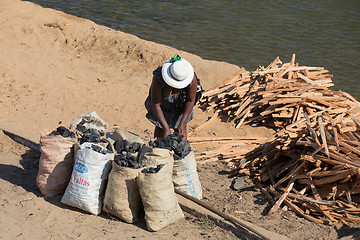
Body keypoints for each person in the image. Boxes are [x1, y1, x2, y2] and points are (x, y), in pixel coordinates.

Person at [145, 55, 202, 142]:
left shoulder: (191, 79)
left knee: (181, 130)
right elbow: (156, 104)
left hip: (180, 103)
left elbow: (190, 101)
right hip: (162, 104)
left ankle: (180, 151)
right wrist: (166, 128)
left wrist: (182, 123)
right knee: (161, 128)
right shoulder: (158, 78)